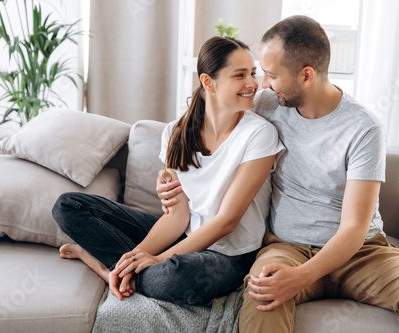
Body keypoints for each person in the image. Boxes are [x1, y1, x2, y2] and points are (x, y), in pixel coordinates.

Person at [157, 15, 399, 332]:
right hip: (286, 248)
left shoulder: (364, 128)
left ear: (306, 76)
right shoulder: (268, 103)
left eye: (270, 74)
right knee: (262, 295)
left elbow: (354, 228)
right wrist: (173, 174)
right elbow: (207, 115)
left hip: (361, 253)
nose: (262, 83)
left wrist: (302, 277)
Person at [51, 35, 284, 306]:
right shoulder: (176, 132)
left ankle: (105, 268)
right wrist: (137, 256)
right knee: (68, 205)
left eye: (253, 73)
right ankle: (124, 270)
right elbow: (177, 217)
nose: (252, 83)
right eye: (240, 75)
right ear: (209, 82)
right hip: (184, 234)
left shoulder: (259, 134)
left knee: (174, 278)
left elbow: (227, 221)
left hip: (231, 254)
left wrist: (159, 258)